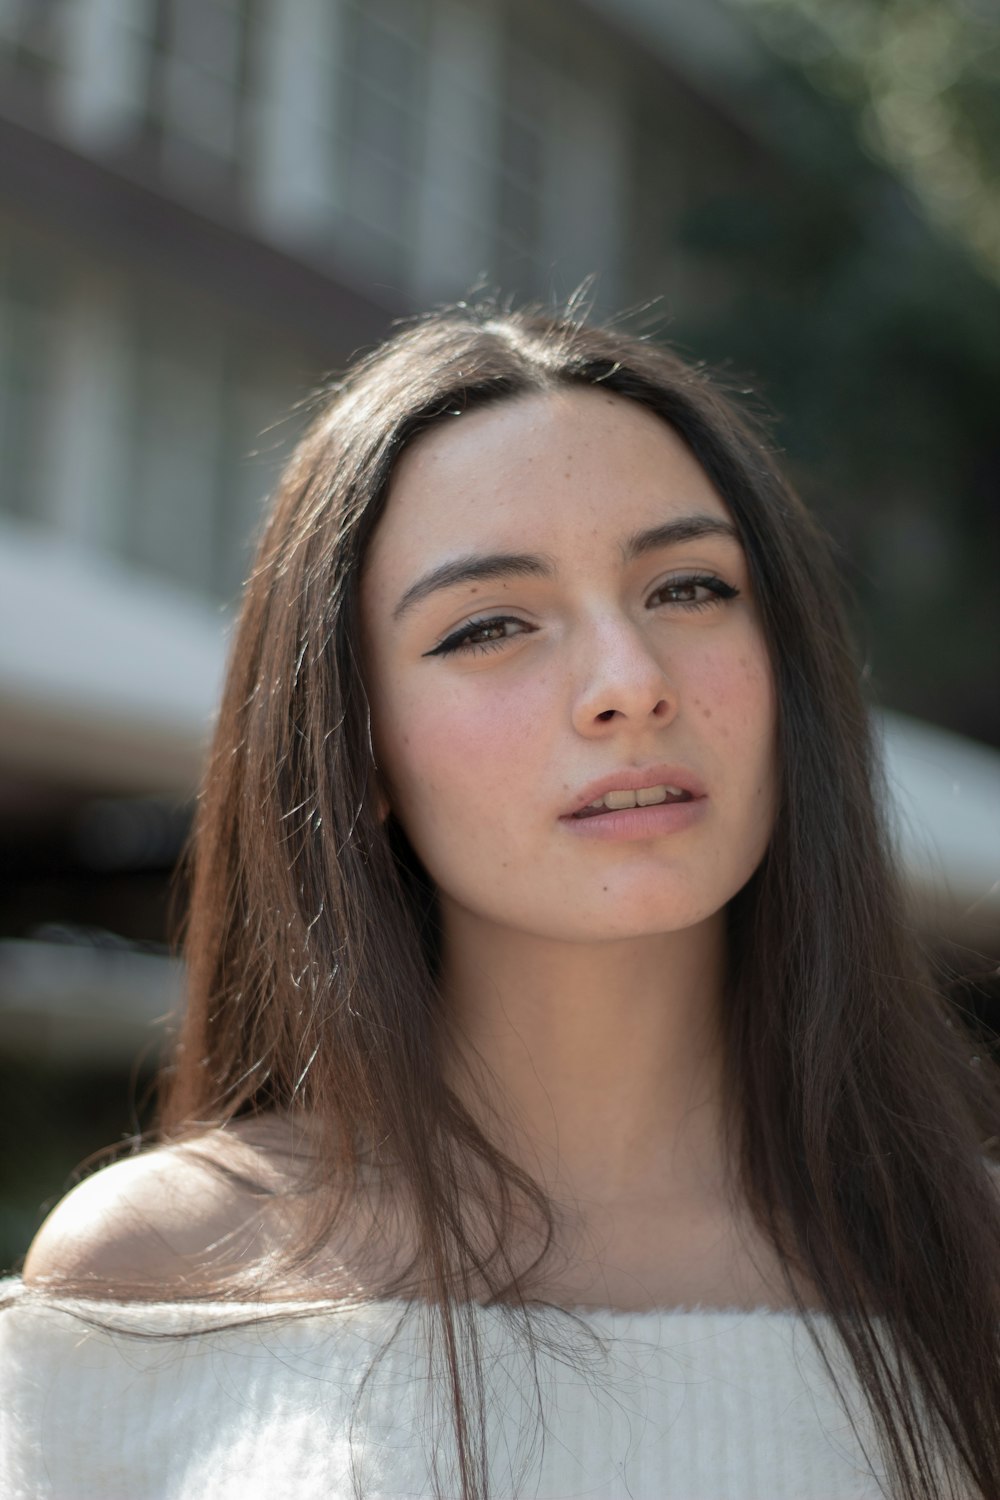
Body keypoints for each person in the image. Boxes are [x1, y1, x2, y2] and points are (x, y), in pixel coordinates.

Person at [2, 299, 999, 1500]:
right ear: (356, 749)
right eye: (489, 626)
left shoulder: (973, 1266)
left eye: (688, 590)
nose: (628, 684)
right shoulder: (161, 1275)